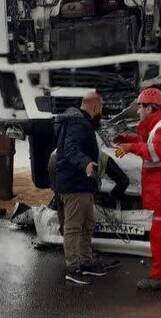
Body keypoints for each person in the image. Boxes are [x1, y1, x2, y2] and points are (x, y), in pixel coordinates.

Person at [115, 87, 161, 290]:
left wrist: (131, 148)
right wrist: (126, 140)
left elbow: (156, 152)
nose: (138, 111)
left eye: (140, 107)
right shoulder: (159, 126)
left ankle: (160, 277)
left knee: (159, 234)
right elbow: (147, 143)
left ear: (150, 108)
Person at [53, 91, 118, 285]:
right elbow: (71, 148)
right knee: (73, 227)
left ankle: (86, 262)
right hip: (75, 184)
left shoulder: (81, 122)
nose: (101, 112)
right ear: (95, 106)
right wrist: (86, 163)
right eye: (101, 108)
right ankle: (73, 268)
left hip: (83, 184)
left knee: (87, 225)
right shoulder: (78, 123)